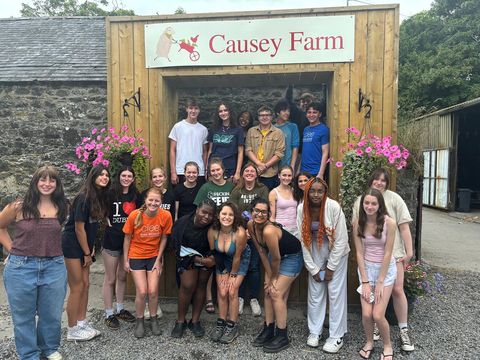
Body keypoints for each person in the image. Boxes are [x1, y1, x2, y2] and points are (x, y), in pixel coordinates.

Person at [0, 165, 68, 360]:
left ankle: (48, 348)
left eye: (52, 180)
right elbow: (1, 227)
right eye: (43, 179)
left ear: (57, 184)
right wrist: (11, 249)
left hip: (53, 266)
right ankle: (29, 354)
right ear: (35, 182)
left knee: (52, 313)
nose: (47, 184)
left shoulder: (62, 206)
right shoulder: (18, 206)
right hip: (21, 268)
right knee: (23, 316)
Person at [352, 168, 415, 352]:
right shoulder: (361, 201)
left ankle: (403, 329)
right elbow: (359, 231)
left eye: (383, 180)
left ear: (387, 183)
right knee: (372, 305)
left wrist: (409, 251)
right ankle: (376, 329)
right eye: (376, 179)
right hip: (371, 258)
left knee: (397, 289)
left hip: (393, 253)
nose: (379, 183)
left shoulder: (394, 199)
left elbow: (404, 226)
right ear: (371, 181)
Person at [297, 177, 350, 353]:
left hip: (337, 250)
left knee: (335, 292)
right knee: (315, 291)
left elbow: (341, 239)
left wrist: (331, 268)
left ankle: (336, 336)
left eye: (320, 191)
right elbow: (303, 241)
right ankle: (315, 332)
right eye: (312, 190)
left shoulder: (333, 207)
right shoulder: (301, 208)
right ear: (307, 192)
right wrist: (312, 268)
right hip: (314, 248)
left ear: (325, 192)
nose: (316, 194)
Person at [248, 198, 303, 353]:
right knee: (267, 292)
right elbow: (261, 251)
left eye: (263, 212)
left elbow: (277, 258)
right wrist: (269, 275)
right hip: (275, 257)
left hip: (292, 257)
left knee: (276, 293)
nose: (259, 214)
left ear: (269, 214)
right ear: (252, 211)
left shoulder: (269, 230)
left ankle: (282, 335)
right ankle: (268, 329)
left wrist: (273, 277)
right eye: (256, 211)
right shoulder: (251, 225)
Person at [62, 164, 110, 341]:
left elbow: (92, 228)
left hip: (85, 247)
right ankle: (72, 329)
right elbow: (79, 229)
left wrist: (90, 248)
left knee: (86, 284)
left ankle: (81, 323)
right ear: (93, 176)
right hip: (73, 245)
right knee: (77, 287)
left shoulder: (98, 197)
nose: (104, 177)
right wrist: (87, 253)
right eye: (101, 175)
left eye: (107, 175)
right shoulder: (83, 198)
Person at [353, 188, 397, 360]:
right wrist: (364, 281)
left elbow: (388, 253)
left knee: (378, 314)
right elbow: (358, 253)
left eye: (373, 203)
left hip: (384, 271)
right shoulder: (358, 222)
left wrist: (379, 282)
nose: (369, 206)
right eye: (366, 203)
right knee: (366, 314)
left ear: (380, 205)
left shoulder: (389, 223)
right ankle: (369, 342)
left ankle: (387, 345)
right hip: (366, 270)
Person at [123, 187, 173, 338]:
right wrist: (126, 260)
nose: (153, 203)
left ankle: (153, 319)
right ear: (145, 200)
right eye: (150, 200)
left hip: (153, 256)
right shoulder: (135, 215)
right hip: (136, 255)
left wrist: (159, 259)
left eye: (157, 200)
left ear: (161, 202)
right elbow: (127, 238)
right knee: (142, 291)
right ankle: (139, 320)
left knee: (152, 291)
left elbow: (164, 237)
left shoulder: (166, 215)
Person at [170, 199, 216, 339]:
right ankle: (180, 321)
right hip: (187, 258)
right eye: (204, 212)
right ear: (197, 210)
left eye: (210, 214)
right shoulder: (183, 223)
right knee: (187, 285)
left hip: (207, 258)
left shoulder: (214, 226)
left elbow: (219, 242)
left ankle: (195, 321)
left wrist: (212, 258)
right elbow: (175, 246)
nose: (206, 217)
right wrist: (199, 260)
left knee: (201, 285)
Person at [194, 158, 234, 314]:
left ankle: (225, 296)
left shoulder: (232, 187)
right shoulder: (205, 187)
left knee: (225, 263)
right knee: (210, 263)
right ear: (209, 173)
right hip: (209, 230)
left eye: (218, 170)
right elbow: (199, 209)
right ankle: (209, 298)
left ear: (223, 170)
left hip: (227, 231)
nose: (216, 173)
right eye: (213, 171)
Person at [229, 163, 269, 317]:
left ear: (256, 174)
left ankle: (253, 298)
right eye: (247, 171)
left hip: (257, 234)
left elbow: (264, 211)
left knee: (254, 266)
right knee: (240, 266)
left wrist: (252, 230)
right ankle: (239, 298)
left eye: (253, 171)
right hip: (240, 233)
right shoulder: (237, 190)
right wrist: (242, 231)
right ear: (243, 174)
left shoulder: (262, 189)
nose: (250, 173)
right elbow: (232, 212)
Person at [102, 166, 139, 330]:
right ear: (119, 177)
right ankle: (109, 313)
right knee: (110, 278)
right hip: (111, 239)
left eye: (129, 176)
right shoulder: (110, 193)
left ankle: (120, 308)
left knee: (123, 276)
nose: (126, 178)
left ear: (133, 178)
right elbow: (98, 206)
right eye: (123, 175)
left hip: (128, 240)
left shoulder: (135, 195)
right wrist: (104, 218)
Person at [208, 202, 249, 343]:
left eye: (231, 214)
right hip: (221, 259)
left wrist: (232, 275)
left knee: (232, 290)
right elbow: (215, 253)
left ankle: (232, 325)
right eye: (224, 214)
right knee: (222, 291)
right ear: (218, 215)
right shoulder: (213, 231)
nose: (227, 217)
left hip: (239, 259)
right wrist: (224, 271)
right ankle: (221, 322)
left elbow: (237, 257)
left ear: (235, 217)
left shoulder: (240, 233)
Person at [245, 105, 286, 190]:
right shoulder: (251, 131)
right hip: (252, 171)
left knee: (267, 198)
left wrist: (265, 166)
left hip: (270, 173)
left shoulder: (278, 133)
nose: (264, 117)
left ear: (271, 117)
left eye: (267, 115)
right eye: (262, 115)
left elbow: (279, 153)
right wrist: (259, 164)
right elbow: (248, 150)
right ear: (258, 117)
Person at [169, 98, 208, 185]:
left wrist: (205, 170)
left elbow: (205, 152)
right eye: (191, 108)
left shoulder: (203, 129)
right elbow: (172, 150)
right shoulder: (178, 127)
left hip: (199, 172)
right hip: (180, 171)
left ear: (199, 110)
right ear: (186, 109)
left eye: (196, 108)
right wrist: (173, 172)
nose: (193, 111)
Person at [207, 102, 244, 184]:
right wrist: (207, 169)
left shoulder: (238, 129)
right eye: (220, 111)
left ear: (230, 111)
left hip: (230, 168)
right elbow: (210, 150)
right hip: (214, 169)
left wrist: (237, 172)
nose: (223, 113)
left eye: (225, 110)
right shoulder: (213, 129)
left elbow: (240, 152)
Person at [301, 102, 329, 180]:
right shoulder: (305, 129)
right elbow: (304, 150)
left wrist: (321, 173)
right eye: (309, 112)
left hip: (316, 171)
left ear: (319, 114)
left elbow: (325, 152)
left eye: (314, 112)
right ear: (306, 114)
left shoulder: (323, 129)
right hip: (304, 170)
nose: (311, 115)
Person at [269, 165, 298, 237]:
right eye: (284, 175)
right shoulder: (273, 193)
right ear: (279, 175)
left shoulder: (294, 191)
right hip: (281, 228)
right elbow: (272, 217)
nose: (287, 178)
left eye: (289, 175)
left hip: (296, 228)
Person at [285, 84, 315, 149]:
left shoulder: (316, 115)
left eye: (308, 101)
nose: (305, 103)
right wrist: (290, 86)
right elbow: (288, 101)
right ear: (299, 103)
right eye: (303, 101)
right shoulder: (296, 112)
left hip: (311, 146)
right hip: (297, 147)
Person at [273, 100, 299, 170]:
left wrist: (292, 165)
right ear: (277, 112)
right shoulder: (272, 128)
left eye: (288, 111)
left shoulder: (292, 126)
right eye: (284, 111)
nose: (287, 113)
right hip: (273, 166)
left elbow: (295, 147)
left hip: (288, 164)